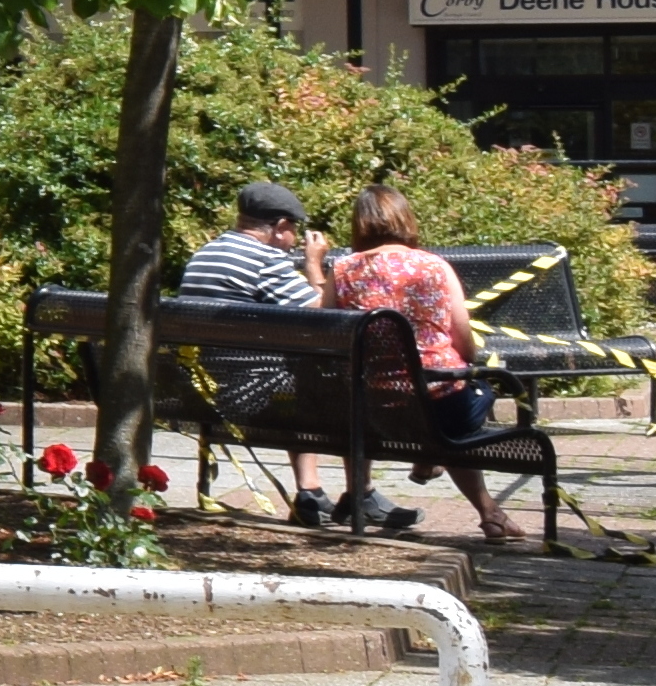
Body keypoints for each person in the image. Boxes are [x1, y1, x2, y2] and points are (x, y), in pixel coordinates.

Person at [323, 183, 511, 540]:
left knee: (361, 398)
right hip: (439, 404)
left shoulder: (343, 268)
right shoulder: (434, 266)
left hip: (370, 407)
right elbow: (462, 336)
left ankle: (365, 487)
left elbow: (327, 334)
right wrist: (469, 365)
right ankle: (488, 511)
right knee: (462, 402)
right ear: (404, 218)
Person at [179, 178, 347, 524]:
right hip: (251, 395)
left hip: (201, 390)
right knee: (332, 376)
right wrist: (314, 264)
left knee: (301, 368)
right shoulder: (264, 259)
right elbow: (323, 316)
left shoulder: (205, 253)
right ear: (281, 227)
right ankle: (355, 492)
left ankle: (311, 491)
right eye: (293, 231)